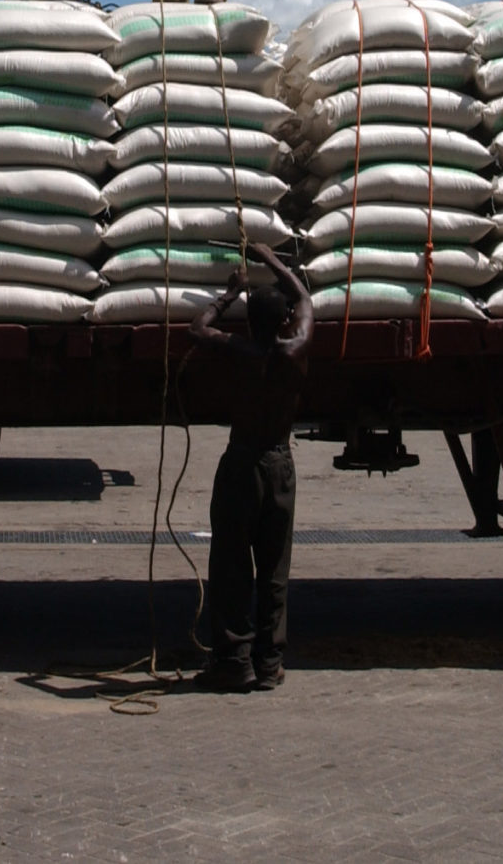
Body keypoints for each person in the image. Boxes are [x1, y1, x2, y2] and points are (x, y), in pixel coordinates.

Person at [187, 241, 312, 692]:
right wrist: (271, 259)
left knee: (231, 565)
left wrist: (229, 294)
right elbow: (304, 298)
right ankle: (269, 662)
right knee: (274, 569)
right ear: (283, 321)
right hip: (280, 464)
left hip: (241, 463)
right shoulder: (295, 349)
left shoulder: (237, 349)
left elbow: (197, 329)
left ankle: (233, 661)